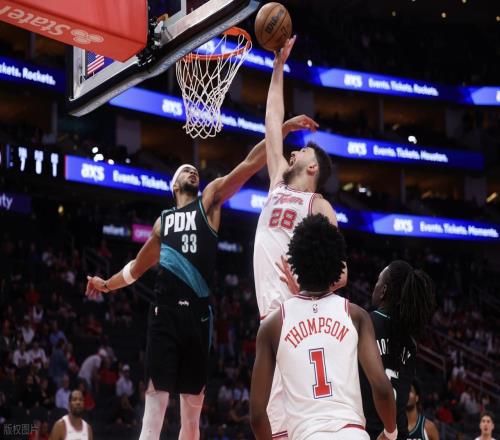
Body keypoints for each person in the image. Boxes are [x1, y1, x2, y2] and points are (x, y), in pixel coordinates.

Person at [85, 118, 315, 440]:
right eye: (185, 170)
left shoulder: (209, 201)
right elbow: (136, 269)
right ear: (174, 186)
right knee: (155, 407)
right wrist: (106, 284)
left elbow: (249, 164)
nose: (192, 171)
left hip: (198, 318)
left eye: (195, 170)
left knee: (191, 417)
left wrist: (281, 131)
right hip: (164, 314)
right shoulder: (163, 223)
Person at [254, 36, 347, 439]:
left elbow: (341, 274)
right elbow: (272, 120)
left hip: (298, 318)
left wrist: (307, 285)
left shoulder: (319, 206)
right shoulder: (277, 181)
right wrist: (278, 66)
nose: (294, 151)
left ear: (312, 168)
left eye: (303, 151)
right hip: (272, 320)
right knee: (275, 426)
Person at [250, 214, 396, 440]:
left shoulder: (273, 325)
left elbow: (258, 415)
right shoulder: (355, 315)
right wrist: (391, 432)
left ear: (295, 262)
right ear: (337, 263)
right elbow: (382, 388)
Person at [359, 260, 436, 439]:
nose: (375, 286)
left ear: (384, 290)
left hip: (368, 432)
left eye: (378, 281)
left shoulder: (365, 324)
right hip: (397, 434)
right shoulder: (410, 342)